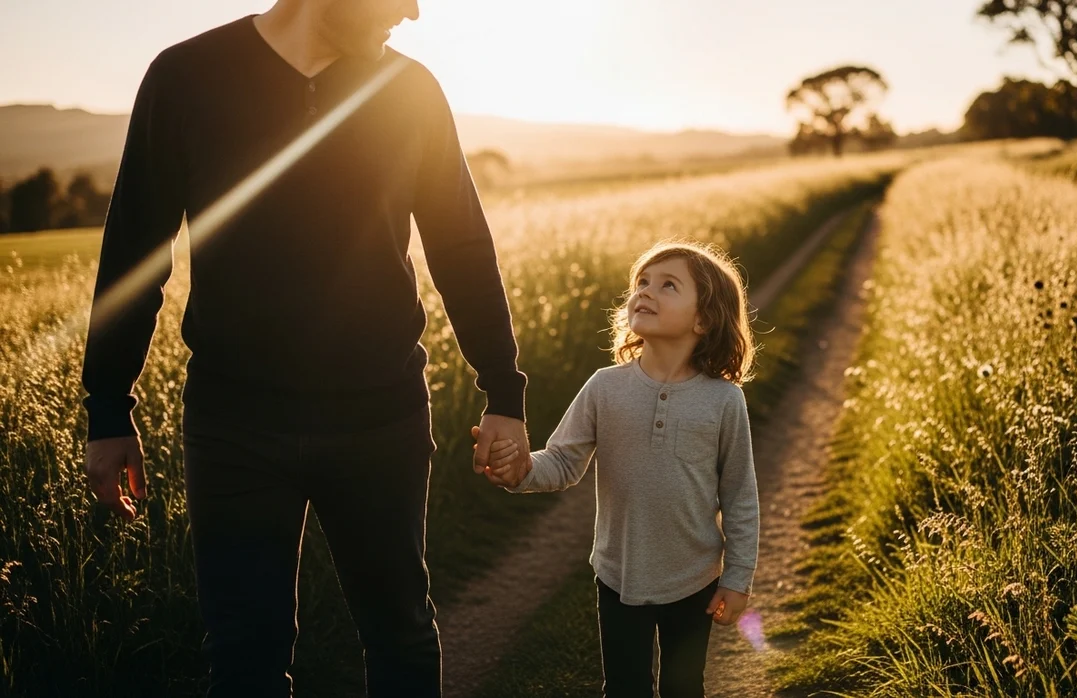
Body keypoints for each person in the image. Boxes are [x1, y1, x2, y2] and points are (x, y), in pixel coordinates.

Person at [79, 1, 531, 696]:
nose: (412, 13)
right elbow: (135, 252)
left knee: (401, 635)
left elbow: (461, 245)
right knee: (244, 659)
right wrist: (108, 408)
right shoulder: (185, 77)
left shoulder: (410, 90)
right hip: (233, 428)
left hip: (381, 419)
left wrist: (502, 389)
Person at [473, 240, 761, 698]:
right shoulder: (604, 387)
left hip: (694, 576)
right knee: (625, 687)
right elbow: (563, 461)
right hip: (617, 574)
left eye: (668, 285)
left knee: (684, 686)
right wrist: (522, 470)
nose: (645, 291)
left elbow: (740, 495)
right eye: (641, 282)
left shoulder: (724, 400)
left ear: (704, 319)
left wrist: (737, 577)